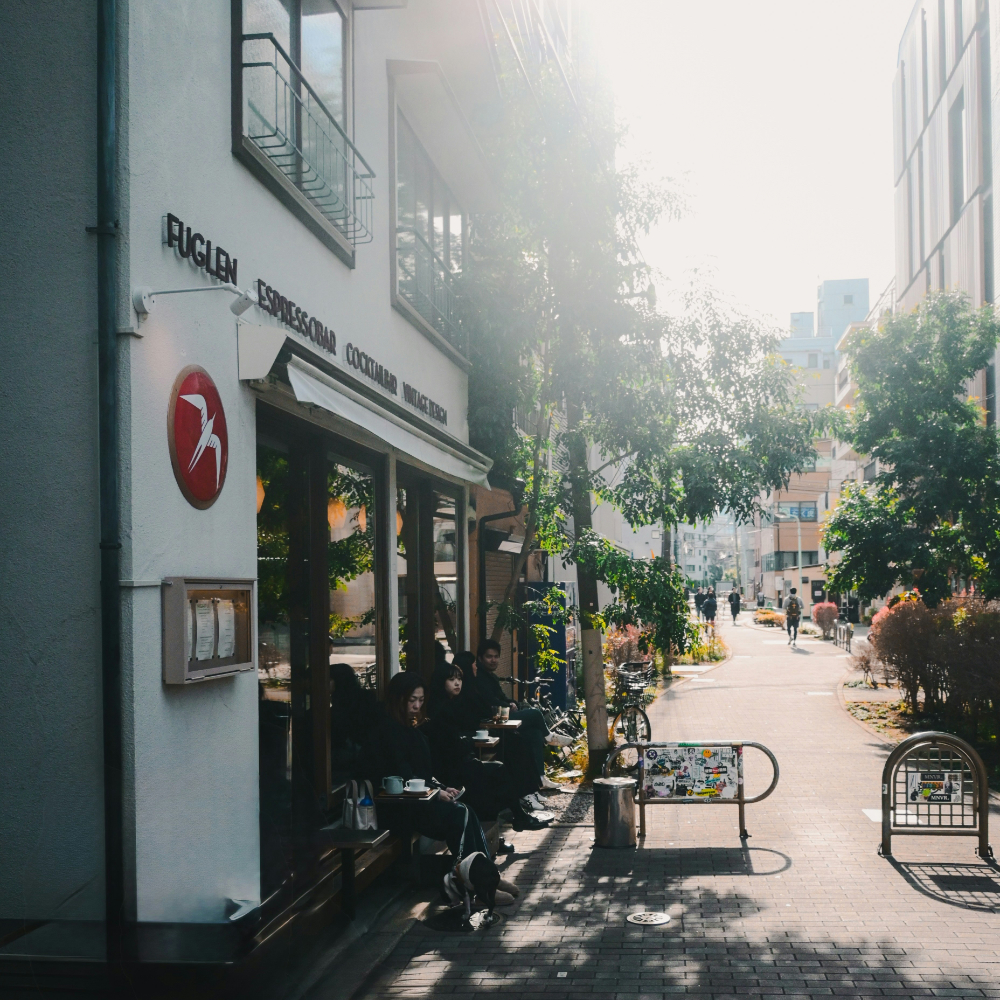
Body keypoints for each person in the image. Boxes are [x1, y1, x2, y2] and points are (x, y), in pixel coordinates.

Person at [363, 671, 495, 864]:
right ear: (398, 699)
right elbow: (403, 774)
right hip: (399, 808)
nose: (417, 706)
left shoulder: (410, 728)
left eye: (421, 700)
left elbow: (421, 772)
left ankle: (484, 873)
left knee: (466, 810)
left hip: (419, 802)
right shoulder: (386, 732)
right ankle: (477, 876)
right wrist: (435, 792)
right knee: (459, 814)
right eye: (412, 700)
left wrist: (440, 788)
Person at [424, 660, 550, 830]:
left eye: (459, 679)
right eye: (451, 679)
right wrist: (468, 741)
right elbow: (449, 743)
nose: (457, 683)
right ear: (441, 682)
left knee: (505, 760)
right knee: (498, 770)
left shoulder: (452, 704)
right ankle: (516, 817)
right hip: (449, 769)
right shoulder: (441, 709)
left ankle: (512, 819)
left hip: (460, 760)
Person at [468, 639, 565, 793]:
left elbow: (501, 698)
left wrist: (512, 703)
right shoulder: (480, 677)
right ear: (480, 658)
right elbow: (490, 701)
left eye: (496, 656)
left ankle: (540, 778)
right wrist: (508, 705)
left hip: (500, 718)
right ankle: (549, 737)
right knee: (534, 713)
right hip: (490, 723)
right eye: (489, 656)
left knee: (534, 733)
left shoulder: (490, 676)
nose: (493, 660)